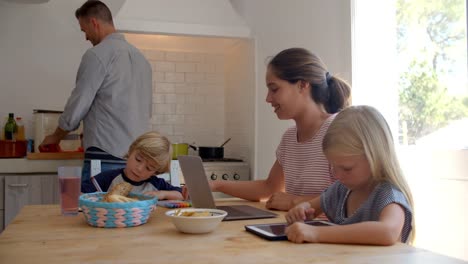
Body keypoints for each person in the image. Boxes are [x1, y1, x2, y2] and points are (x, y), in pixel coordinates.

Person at [208, 48, 351, 211]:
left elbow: (351, 198)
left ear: (302, 85)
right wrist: (216, 185)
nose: (268, 98)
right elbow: (270, 188)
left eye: (274, 89)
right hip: (295, 231)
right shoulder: (289, 137)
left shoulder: (338, 132)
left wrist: (295, 201)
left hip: (328, 234)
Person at [39, 0, 152, 183]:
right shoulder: (141, 59)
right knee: (127, 211)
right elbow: (145, 110)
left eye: (84, 31)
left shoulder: (97, 54)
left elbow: (78, 105)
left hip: (105, 156)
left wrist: (55, 136)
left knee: (95, 211)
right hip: (137, 162)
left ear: (94, 23)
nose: (86, 37)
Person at [285, 105, 414, 245]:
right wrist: (302, 210)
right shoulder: (341, 190)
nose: (338, 175)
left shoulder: (388, 195)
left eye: (347, 168)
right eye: (333, 166)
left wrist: (316, 233)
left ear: (374, 158)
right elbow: (311, 207)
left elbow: (388, 232)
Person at [82, 131, 183, 201]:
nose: (139, 168)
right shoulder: (108, 178)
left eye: (149, 168)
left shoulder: (155, 184)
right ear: (130, 151)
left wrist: (162, 194)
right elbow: (80, 194)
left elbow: (180, 194)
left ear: (156, 172)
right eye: (138, 159)